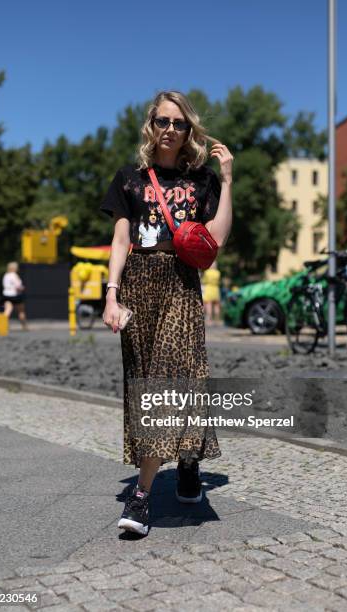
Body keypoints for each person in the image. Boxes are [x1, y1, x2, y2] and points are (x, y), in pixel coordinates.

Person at [100, 90, 233, 536]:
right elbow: (120, 240)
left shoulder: (204, 180)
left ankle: (140, 498)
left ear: (188, 129)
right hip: (138, 284)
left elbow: (216, 238)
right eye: (163, 122)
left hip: (180, 283)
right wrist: (111, 295)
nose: (171, 130)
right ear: (150, 126)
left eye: (179, 123)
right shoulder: (129, 178)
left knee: (170, 377)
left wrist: (228, 181)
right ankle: (188, 460)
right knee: (146, 385)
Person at [2, 262, 29, 330]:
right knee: (21, 311)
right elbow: (18, 286)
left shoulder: (6, 275)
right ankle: (24, 326)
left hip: (6, 294)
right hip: (15, 295)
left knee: (8, 310)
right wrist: (22, 288)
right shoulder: (14, 275)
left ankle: (2, 324)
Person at [202, 260, 222, 325]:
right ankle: (217, 319)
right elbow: (219, 281)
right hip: (216, 289)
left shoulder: (207, 272)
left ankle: (209, 320)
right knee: (216, 305)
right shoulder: (218, 273)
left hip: (209, 288)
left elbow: (204, 281)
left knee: (209, 305)